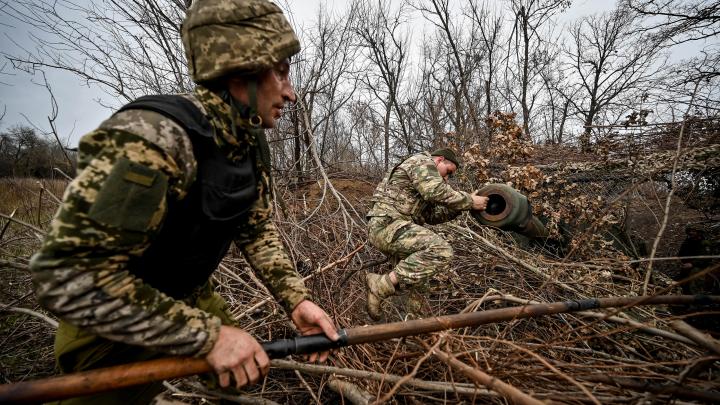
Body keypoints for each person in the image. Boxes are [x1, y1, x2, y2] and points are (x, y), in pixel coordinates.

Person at [29, 0, 339, 403]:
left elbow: (256, 227)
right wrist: (208, 337)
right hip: (111, 325)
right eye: (279, 72)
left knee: (242, 375)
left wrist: (296, 300)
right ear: (241, 69)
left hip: (188, 297)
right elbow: (68, 277)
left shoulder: (245, 139)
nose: (290, 93)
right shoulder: (151, 138)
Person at [365, 148, 488, 320]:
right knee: (440, 250)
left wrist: (464, 207)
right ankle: (381, 285)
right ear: (439, 160)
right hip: (387, 225)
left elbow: (432, 216)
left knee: (416, 288)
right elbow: (435, 191)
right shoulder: (422, 161)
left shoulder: (422, 183)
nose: (446, 178)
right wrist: (469, 200)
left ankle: (414, 333)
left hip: (394, 228)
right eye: (448, 172)